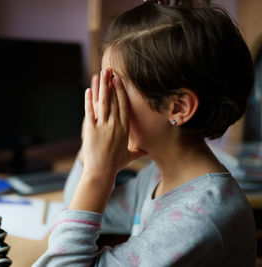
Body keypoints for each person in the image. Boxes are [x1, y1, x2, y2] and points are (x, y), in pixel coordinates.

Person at [33, 1, 256, 266]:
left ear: (178, 107)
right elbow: (78, 205)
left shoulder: (199, 217)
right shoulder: (158, 176)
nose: (104, 103)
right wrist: (91, 156)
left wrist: (97, 174)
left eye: (115, 90)